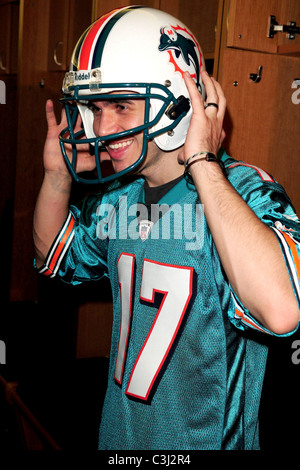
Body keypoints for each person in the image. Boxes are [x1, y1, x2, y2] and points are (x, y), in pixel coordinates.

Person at [33, 6, 300, 450]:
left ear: (179, 102)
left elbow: (283, 311)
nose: (102, 126)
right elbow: (53, 259)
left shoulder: (244, 191)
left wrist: (201, 161)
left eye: (121, 105)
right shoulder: (122, 194)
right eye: (96, 108)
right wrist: (57, 178)